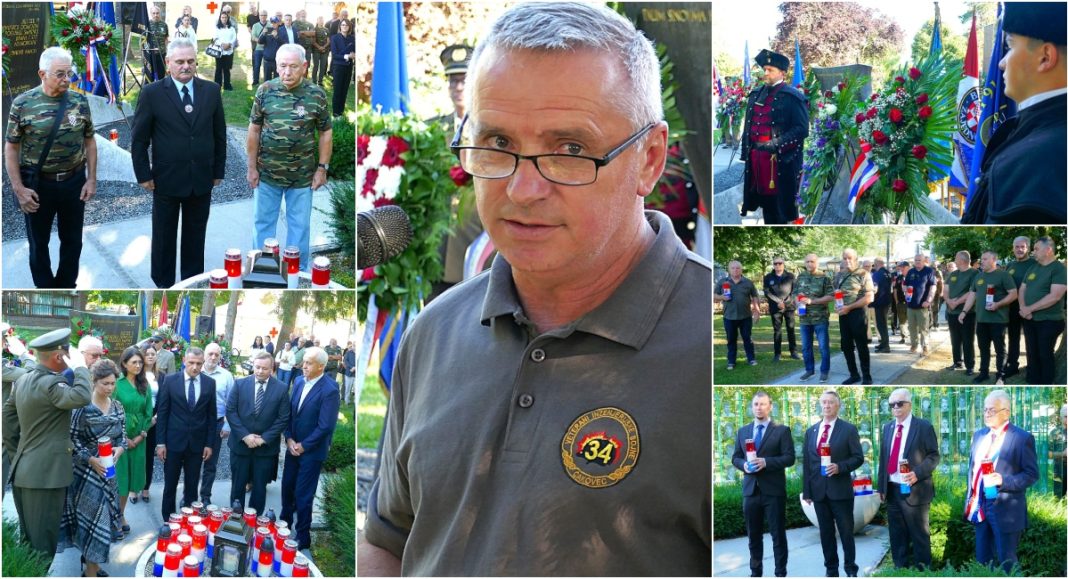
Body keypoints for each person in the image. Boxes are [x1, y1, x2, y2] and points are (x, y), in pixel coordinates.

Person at [361, 4, 711, 575]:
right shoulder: (434, 332)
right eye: (495, 142)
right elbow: (388, 539)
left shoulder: (709, 344)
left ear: (649, 159)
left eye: (570, 149)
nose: (522, 189)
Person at [132, 38, 227, 288]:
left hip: (201, 180)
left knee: (195, 237)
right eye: (180, 62)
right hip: (165, 180)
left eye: (190, 61)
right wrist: (143, 174)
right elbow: (139, 139)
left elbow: (219, 134)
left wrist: (218, 170)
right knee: (163, 236)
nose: (185, 66)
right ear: (168, 63)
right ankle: (164, 284)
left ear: (196, 62)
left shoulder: (211, 91)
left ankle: (191, 282)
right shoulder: (152, 93)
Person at [961, 2, 1066, 224]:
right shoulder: (1033, 135)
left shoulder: (1037, 159)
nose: (1001, 63)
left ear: (1045, 57)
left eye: (1009, 46)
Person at [4, 47, 97, 288]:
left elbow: (90, 141)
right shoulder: (23, 104)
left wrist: (91, 179)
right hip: (38, 186)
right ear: (42, 74)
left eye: (69, 73)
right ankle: (45, 287)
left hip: (74, 183)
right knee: (38, 242)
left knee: (73, 241)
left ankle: (66, 286)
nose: (67, 79)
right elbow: (11, 148)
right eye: (60, 74)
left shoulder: (79, 101)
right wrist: (18, 189)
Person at [1, 328, 91, 565]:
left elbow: (8, 421)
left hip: (25, 472)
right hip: (45, 477)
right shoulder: (52, 384)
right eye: (68, 352)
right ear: (58, 357)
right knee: (43, 546)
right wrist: (81, 367)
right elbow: (82, 396)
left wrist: (17, 454)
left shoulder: (23, 380)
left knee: (30, 541)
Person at [247, 44, 332, 273]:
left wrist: (322, 168)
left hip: (302, 177)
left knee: (300, 227)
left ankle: (298, 274)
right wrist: (251, 167)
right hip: (267, 174)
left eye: (293, 66)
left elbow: (326, 132)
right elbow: (254, 130)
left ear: (305, 66)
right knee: (263, 225)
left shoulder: (316, 95)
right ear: (276, 65)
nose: (287, 72)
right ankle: (262, 271)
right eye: (282, 66)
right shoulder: (265, 91)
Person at [59, 359, 126, 578]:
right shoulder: (82, 408)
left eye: (112, 383)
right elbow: (71, 439)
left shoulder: (117, 406)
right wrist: (90, 459)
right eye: (105, 383)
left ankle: (93, 566)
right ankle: (90, 571)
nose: (109, 388)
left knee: (105, 520)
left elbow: (122, 437)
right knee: (92, 522)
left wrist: (119, 450)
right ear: (94, 382)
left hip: (109, 472)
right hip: (87, 474)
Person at [965, 390, 1038, 573]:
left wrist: (1003, 480)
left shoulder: (1022, 438)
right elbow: (972, 470)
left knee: (1008, 563)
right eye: (985, 410)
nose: (987, 414)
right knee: (982, 562)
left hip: (1006, 509)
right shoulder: (979, 435)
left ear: (1006, 412)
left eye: (992, 410)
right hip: (980, 505)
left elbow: (1031, 474)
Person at [740, 49, 808, 224]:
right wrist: (746, 151)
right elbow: (748, 127)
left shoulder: (793, 97)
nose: (766, 73)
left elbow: (801, 129)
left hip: (779, 162)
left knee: (778, 207)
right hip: (756, 161)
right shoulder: (755, 95)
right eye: (765, 69)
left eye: (770, 70)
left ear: (782, 73)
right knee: (761, 200)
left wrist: (776, 143)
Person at [281, 348, 340, 550]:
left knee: (303, 495)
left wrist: (304, 446)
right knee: (287, 487)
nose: (303, 366)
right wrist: (288, 439)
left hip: (311, 452)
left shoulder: (330, 389)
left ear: (321, 367)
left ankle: (303, 536)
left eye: (309, 363)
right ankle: (284, 524)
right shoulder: (298, 381)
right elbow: (290, 414)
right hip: (292, 447)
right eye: (303, 362)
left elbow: (326, 426)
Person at [731, 391, 795, 578]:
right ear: (752, 407)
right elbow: (735, 457)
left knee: (778, 535)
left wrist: (766, 462)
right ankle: (755, 572)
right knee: (753, 536)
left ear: (770, 406)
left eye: (762, 404)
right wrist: (743, 465)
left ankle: (780, 572)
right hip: (750, 491)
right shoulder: (742, 431)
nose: (759, 407)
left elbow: (789, 458)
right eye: (756, 404)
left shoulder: (782, 430)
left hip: (773, 490)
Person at [876, 389, 940, 570]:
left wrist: (917, 473)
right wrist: (881, 487)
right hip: (892, 489)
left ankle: (923, 572)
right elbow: (883, 459)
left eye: (899, 403)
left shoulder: (923, 426)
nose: (895, 407)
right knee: (897, 536)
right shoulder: (888, 427)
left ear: (909, 405)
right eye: (892, 405)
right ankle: (900, 570)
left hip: (916, 490)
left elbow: (934, 456)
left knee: (919, 536)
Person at [802, 390, 864, 577]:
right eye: (824, 402)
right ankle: (831, 570)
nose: (827, 406)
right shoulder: (811, 431)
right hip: (819, 493)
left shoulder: (848, 429)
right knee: (826, 534)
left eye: (831, 402)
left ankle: (851, 569)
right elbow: (807, 464)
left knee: (846, 533)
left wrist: (840, 467)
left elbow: (858, 458)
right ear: (820, 405)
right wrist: (807, 492)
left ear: (838, 406)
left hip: (840, 491)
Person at [155, 348, 218, 520]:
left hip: (197, 445)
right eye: (191, 363)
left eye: (199, 363)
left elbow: (211, 416)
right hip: (173, 443)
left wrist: (208, 444)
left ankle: (189, 519)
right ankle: (167, 520)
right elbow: (163, 413)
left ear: (203, 363)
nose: (195, 367)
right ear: (184, 360)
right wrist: (160, 443)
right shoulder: (170, 381)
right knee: (170, 484)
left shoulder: (209, 383)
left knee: (192, 485)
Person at [227, 352, 290, 513]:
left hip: (265, 449)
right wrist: (245, 436)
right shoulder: (240, 384)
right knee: (237, 486)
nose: (260, 371)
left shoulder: (281, 389)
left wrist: (264, 439)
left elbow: (283, 418)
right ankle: (236, 521)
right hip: (241, 446)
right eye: (257, 367)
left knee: (260, 488)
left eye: (264, 368)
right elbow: (231, 411)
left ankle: (254, 523)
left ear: (272, 369)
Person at [960, 251, 1017, 383]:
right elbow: (972, 295)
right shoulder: (979, 276)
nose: (982, 262)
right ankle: (983, 373)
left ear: (994, 259)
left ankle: (1001, 374)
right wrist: (964, 311)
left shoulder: (1004, 275)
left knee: (999, 349)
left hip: (998, 320)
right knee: (983, 348)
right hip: (981, 320)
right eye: (981, 259)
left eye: (985, 259)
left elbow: (1013, 294)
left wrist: (998, 304)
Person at [113, 346, 152, 536]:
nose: (138, 365)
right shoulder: (117, 384)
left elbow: (148, 412)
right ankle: (114, 516)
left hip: (139, 440)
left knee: (131, 479)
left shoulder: (145, 385)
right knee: (119, 479)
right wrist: (123, 438)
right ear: (124, 364)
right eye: (134, 362)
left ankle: (120, 514)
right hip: (119, 440)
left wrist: (140, 435)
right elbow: (111, 411)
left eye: (140, 362)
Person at [1017, 236, 1066, 384]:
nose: (1033, 252)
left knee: (1044, 354)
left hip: (1049, 320)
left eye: (1037, 249)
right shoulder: (1034, 267)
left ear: (1049, 250)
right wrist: (1023, 308)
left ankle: (1046, 382)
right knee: (1031, 352)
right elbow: (1022, 290)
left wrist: (1029, 309)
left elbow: (1055, 296)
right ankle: (1032, 380)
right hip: (1029, 318)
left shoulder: (1059, 269)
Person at [199, 343, 234, 505]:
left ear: (220, 357)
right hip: (196, 424)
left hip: (216, 424)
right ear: (204, 354)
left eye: (216, 355)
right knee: (192, 462)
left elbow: (232, 403)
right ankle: (189, 495)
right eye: (210, 354)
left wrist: (228, 425)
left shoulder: (226, 376)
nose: (213, 357)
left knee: (211, 463)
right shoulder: (195, 370)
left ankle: (205, 496)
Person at [836, 249, 874, 385]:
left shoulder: (863, 274)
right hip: (843, 315)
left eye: (850, 258)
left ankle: (866, 376)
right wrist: (838, 305)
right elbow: (837, 293)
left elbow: (869, 297)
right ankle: (854, 374)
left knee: (861, 346)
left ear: (856, 259)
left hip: (858, 313)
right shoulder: (839, 275)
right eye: (845, 258)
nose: (847, 261)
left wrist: (849, 307)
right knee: (846, 346)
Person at [794, 253, 834, 382]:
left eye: (812, 261)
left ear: (817, 263)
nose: (809, 264)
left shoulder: (824, 277)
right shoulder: (800, 277)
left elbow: (831, 296)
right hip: (804, 319)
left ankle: (824, 371)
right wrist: (797, 304)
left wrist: (812, 301)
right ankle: (809, 370)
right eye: (807, 262)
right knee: (806, 347)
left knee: (823, 347)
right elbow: (795, 294)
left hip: (820, 318)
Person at [715, 260, 761, 369]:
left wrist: (757, 310)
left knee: (747, 339)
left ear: (741, 269)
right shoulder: (723, 282)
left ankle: (751, 359)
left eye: (738, 268)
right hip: (729, 317)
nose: (735, 270)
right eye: (733, 268)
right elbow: (713, 295)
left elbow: (754, 297)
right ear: (729, 270)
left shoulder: (748, 282)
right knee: (731, 340)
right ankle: (731, 361)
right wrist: (722, 297)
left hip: (745, 317)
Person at [1003, 236, 1034, 380]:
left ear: (1028, 248)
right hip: (1012, 308)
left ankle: (1032, 367)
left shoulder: (1035, 264)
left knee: (1031, 339)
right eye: (1017, 247)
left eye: (1022, 247)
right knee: (1013, 338)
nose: (1020, 249)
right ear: (1013, 248)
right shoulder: (1010, 265)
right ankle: (1012, 366)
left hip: (1030, 308)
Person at [943, 251, 978, 375]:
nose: (954, 260)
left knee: (968, 340)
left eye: (956, 258)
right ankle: (957, 361)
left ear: (962, 260)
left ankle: (970, 366)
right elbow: (945, 289)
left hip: (968, 313)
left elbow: (973, 292)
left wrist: (956, 302)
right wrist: (948, 301)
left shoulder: (974, 273)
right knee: (955, 339)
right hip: (952, 312)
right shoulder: (953, 274)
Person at [140, 343, 163, 503]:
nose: (150, 356)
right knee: (136, 456)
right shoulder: (135, 374)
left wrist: (155, 418)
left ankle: (146, 488)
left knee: (148, 455)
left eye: (153, 353)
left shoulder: (162, 376)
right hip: (138, 420)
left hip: (155, 420)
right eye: (147, 353)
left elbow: (165, 399)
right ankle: (134, 489)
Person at [764, 256, 799, 362]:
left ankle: (793, 352)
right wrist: (778, 301)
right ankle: (777, 354)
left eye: (780, 263)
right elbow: (767, 292)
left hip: (789, 307)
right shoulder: (768, 277)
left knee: (791, 329)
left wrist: (786, 302)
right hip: (775, 308)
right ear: (773, 265)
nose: (777, 265)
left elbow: (795, 291)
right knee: (777, 331)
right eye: (775, 264)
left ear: (783, 264)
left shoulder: (790, 276)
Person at [903, 253, 937, 355]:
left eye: (919, 260)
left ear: (924, 261)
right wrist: (906, 292)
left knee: (923, 328)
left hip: (923, 305)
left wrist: (928, 300)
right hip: (910, 305)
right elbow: (904, 284)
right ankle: (914, 345)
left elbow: (933, 287)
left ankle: (925, 347)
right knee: (912, 327)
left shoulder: (929, 271)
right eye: (916, 260)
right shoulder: (911, 272)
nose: (917, 262)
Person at [329, 19, 355, 117]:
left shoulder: (352, 39)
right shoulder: (334, 38)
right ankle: (336, 113)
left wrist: (353, 55)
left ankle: (341, 111)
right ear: (340, 26)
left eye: (346, 25)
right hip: (338, 67)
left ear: (349, 27)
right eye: (343, 25)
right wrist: (347, 56)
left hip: (348, 67)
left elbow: (354, 52)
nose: (344, 26)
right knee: (337, 90)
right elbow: (335, 55)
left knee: (344, 90)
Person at [258, 14, 293, 83]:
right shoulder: (267, 30)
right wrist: (263, 34)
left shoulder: (282, 31)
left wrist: (276, 37)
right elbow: (260, 42)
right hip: (267, 60)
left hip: (277, 61)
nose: (273, 24)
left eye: (275, 22)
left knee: (277, 81)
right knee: (267, 81)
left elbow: (285, 44)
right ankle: (267, 93)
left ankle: (276, 93)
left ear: (278, 23)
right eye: (272, 22)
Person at [870, 257, 892, 353]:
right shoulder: (887, 273)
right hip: (886, 301)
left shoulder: (877, 274)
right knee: (883, 324)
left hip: (879, 302)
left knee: (881, 324)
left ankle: (885, 346)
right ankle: (883, 343)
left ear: (876, 264)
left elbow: (875, 288)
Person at [211, 11, 237, 91]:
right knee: (219, 69)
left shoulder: (231, 28)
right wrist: (222, 45)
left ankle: (227, 85)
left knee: (227, 69)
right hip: (219, 51)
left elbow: (234, 38)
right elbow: (215, 39)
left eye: (225, 17)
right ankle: (217, 85)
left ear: (227, 18)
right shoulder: (217, 28)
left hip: (229, 51)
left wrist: (229, 44)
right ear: (220, 18)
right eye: (222, 17)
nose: (224, 19)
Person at [1050, 404, 1067, 498]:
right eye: (1066, 416)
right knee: (1058, 498)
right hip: (1060, 471)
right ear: (1060, 417)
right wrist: (1063, 454)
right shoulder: (1054, 433)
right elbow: (1048, 454)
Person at [892, 261, 911, 345]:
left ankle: (913, 337)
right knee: (902, 321)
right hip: (901, 303)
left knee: (911, 321)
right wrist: (896, 301)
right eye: (900, 267)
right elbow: (895, 289)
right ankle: (904, 337)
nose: (901, 268)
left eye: (903, 267)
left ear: (908, 267)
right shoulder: (899, 277)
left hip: (910, 303)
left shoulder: (912, 276)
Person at [250, 10, 270, 85]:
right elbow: (253, 37)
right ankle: (255, 81)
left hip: (267, 49)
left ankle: (266, 81)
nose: (263, 17)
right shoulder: (255, 25)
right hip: (258, 48)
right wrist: (258, 40)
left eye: (264, 15)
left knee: (266, 66)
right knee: (257, 65)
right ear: (259, 16)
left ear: (266, 16)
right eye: (261, 15)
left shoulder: (270, 25)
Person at [312, 16, 330, 85]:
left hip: (324, 51)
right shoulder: (314, 29)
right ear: (317, 21)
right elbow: (313, 41)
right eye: (320, 20)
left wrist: (323, 47)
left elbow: (328, 41)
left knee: (322, 67)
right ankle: (314, 81)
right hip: (316, 51)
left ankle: (320, 81)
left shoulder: (326, 30)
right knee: (315, 66)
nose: (321, 21)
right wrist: (319, 47)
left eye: (322, 20)